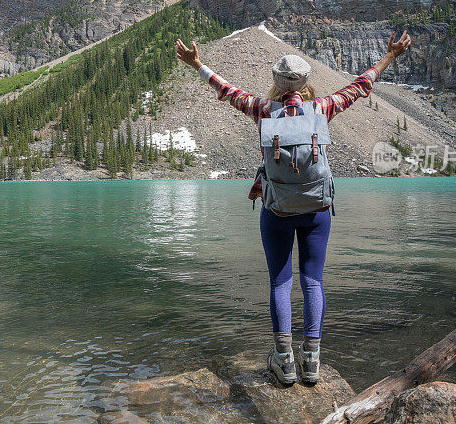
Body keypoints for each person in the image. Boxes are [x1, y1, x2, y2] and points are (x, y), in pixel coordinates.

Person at [175, 30, 411, 385]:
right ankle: (312, 362)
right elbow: (361, 86)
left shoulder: (262, 110)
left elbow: (225, 90)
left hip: (277, 210)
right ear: (305, 81)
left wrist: (197, 64)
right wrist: (389, 56)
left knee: (280, 284)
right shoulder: (322, 108)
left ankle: (284, 362)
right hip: (316, 209)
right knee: (313, 282)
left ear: (276, 81)